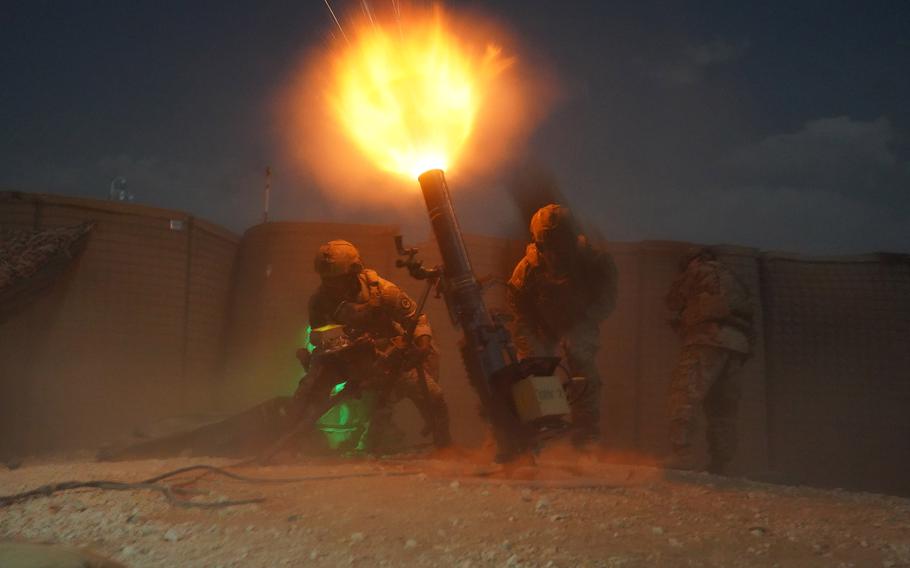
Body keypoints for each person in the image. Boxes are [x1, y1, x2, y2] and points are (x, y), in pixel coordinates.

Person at [294, 240, 452, 452]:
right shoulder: (319, 301)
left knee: (433, 396)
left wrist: (422, 345)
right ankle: (294, 442)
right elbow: (318, 337)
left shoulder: (384, 291)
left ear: (354, 272)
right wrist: (338, 348)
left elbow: (416, 318)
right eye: (326, 280)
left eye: (336, 280)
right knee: (308, 391)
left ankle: (444, 446)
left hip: (388, 358)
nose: (330, 286)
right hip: (344, 360)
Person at [507, 204, 618, 447]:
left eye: (561, 242)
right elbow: (517, 304)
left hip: (580, 319)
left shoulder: (593, 261)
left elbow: (608, 297)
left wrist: (584, 319)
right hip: (539, 324)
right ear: (539, 241)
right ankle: (538, 429)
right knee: (533, 369)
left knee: (582, 366)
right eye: (549, 243)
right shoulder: (528, 267)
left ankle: (586, 436)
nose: (555, 252)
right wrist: (530, 337)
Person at [665, 247, 755, 474]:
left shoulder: (697, 270)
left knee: (684, 394)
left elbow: (673, 300)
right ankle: (721, 464)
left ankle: (681, 455)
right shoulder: (734, 278)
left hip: (706, 338)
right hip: (737, 345)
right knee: (722, 408)